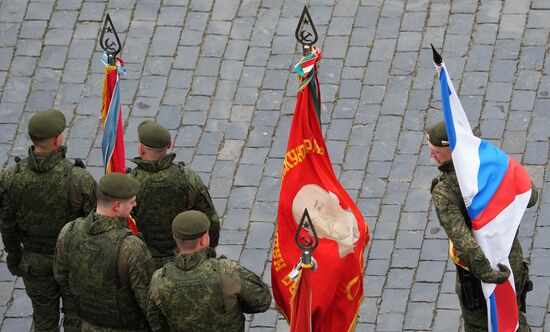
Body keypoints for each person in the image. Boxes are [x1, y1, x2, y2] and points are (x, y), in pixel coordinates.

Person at [427, 121, 536, 332]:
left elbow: (464, 242)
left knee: (483, 324)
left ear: (451, 150)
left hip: (478, 277)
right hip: (511, 256)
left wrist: (489, 276)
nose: (432, 156)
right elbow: (530, 195)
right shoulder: (489, 162)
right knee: (513, 312)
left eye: (435, 152)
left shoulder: (445, 192)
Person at [0, 108, 97, 332]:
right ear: (57, 139)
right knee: (75, 319)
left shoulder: (11, 177)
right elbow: (94, 224)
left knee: (44, 321)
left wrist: (15, 256)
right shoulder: (77, 178)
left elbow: (7, 223)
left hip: (34, 263)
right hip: (73, 263)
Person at [54, 173, 155, 332]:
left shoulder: (69, 231)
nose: (135, 204)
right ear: (117, 206)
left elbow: (61, 276)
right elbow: (148, 302)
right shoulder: (131, 246)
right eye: (131, 201)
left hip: (86, 324)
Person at [147, 210, 272, 332]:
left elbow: (156, 322)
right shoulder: (226, 270)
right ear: (203, 239)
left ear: (175, 239)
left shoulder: (159, 279)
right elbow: (262, 300)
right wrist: (235, 305)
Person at [128, 120, 220, 268]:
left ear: (141, 149)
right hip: (185, 256)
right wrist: (209, 251)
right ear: (169, 145)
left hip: (144, 260)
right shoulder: (188, 177)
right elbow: (211, 219)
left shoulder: (130, 184)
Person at [292, 184, 359, 257]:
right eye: (312, 222)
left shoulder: (355, 220)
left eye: (320, 207)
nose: (322, 221)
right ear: (310, 232)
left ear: (332, 197)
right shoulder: (327, 256)